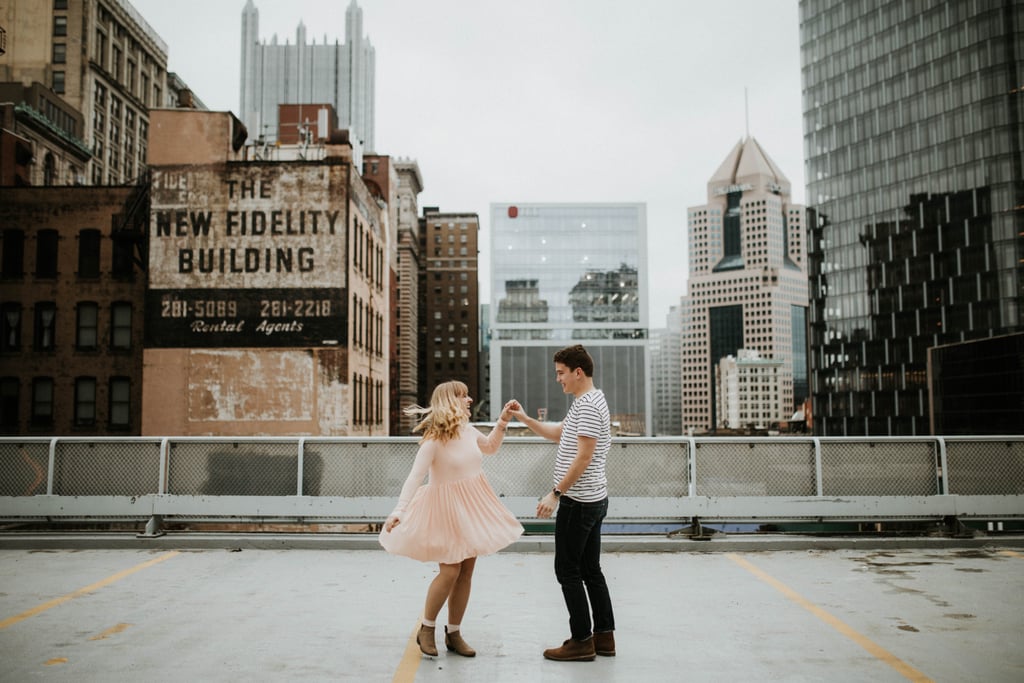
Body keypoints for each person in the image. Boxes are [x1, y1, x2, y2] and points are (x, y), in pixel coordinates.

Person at [379, 381, 524, 658]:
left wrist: (503, 421)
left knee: (466, 572)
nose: (470, 400)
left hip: (471, 508)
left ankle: (454, 633)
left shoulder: (468, 431)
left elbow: (491, 447)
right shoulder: (434, 439)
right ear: (449, 400)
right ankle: (426, 628)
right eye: (463, 396)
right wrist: (399, 510)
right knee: (450, 571)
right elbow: (414, 477)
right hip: (445, 510)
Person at [510, 344, 615, 662]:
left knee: (567, 570)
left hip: (578, 502)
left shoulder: (587, 406)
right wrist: (524, 418)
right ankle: (604, 638)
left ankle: (582, 641)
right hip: (594, 499)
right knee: (590, 569)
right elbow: (560, 434)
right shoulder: (589, 401)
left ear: (577, 372)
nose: (558, 379)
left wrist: (555, 494)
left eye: (561, 373)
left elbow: (583, 457)